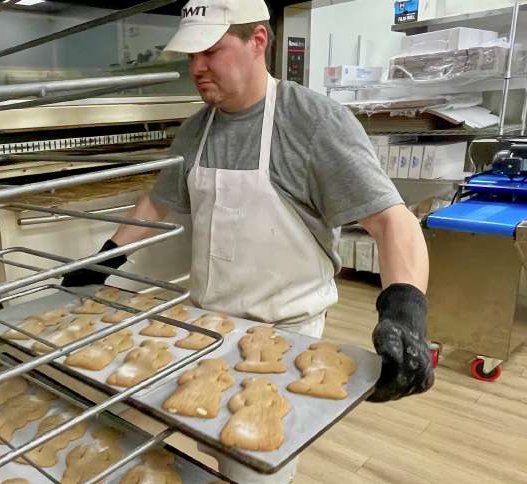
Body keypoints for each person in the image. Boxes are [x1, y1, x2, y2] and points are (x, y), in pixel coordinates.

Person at [61, 0, 434, 481]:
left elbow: (391, 218)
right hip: (205, 324)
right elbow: (157, 202)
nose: (196, 68)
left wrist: (405, 307)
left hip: (284, 335)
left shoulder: (314, 123)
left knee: (253, 467)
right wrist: (104, 260)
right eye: (191, 56)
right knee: (199, 441)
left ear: (258, 41)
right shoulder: (198, 128)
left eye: (211, 51)